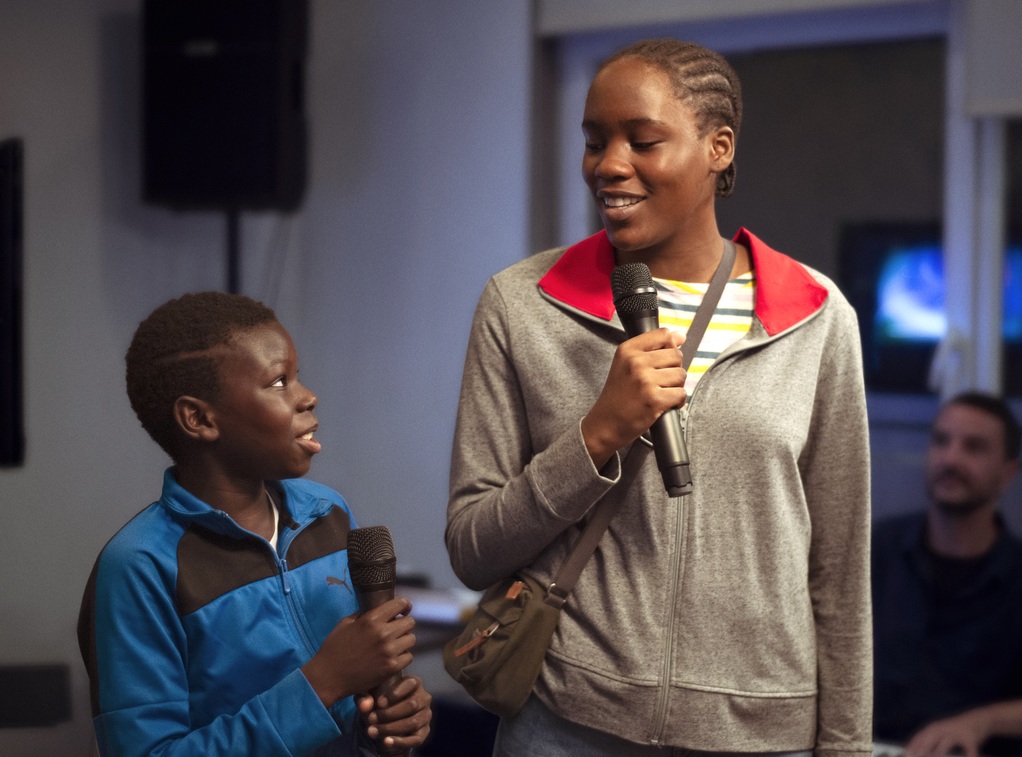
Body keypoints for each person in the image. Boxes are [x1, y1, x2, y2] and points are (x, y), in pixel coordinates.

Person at [445, 38, 872, 756]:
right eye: (594, 141)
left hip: (758, 731)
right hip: (566, 721)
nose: (609, 165)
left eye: (642, 140)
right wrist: (594, 437)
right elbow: (471, 545)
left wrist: (847, 746)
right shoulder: (521, 305)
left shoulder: (817, 316)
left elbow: (840, 569)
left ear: (718, 147)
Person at [77, 292, 432, 756]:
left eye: (298, 377)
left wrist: (384, 725)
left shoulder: (328, 513)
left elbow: (350, 707)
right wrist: (322, 683)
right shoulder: (140, 566)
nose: (308, 396)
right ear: (200, 418)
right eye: (279, 381)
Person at [873, 391, 1022, 757]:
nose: (951, 458)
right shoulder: (877, 550)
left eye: (974, 447)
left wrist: (982, 721)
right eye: (941, 441)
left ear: (1007, 473)